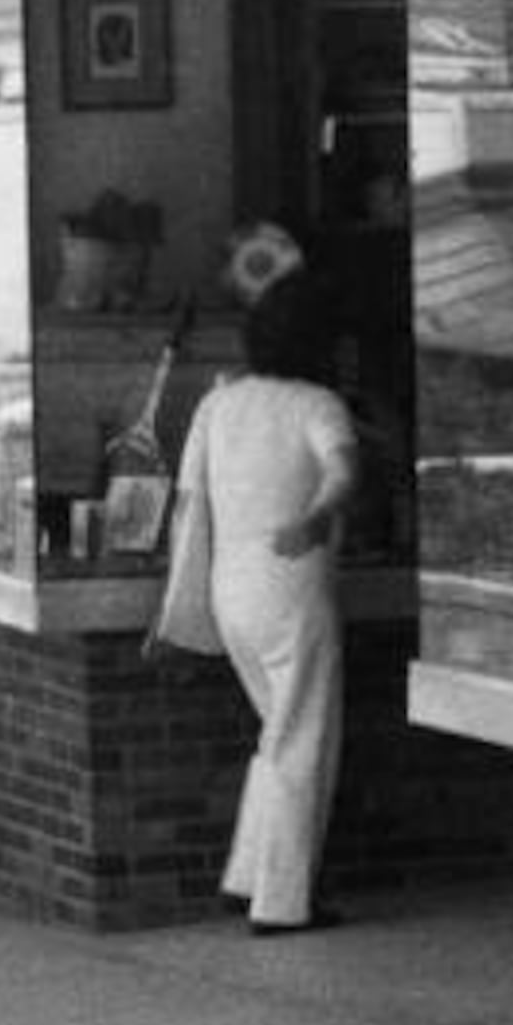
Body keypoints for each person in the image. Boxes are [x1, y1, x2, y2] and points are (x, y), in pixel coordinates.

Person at [148, 272, 359, 935]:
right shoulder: (319, 404)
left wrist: (169, 610)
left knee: (278, 733)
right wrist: (315, 518)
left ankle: (249, 874)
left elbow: (187, 504)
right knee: (305, 741)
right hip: (293, 587)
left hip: (229, 588)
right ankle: (283, 900)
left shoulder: (220, 404)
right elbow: (344, 472)